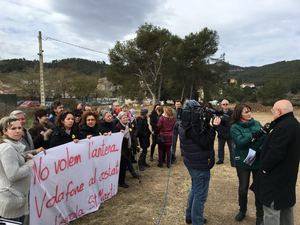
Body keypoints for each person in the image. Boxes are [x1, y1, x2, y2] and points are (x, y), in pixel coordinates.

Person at [178, 100, 220, 225]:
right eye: (197, 110)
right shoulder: (192, 128)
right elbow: (206, 142)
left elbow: (200, 135)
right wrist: (213, 128)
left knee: (195, 189)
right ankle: (197, 221)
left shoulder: (184, 124)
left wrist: (206, 122)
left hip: (192, 162)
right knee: (200, 195)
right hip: (199, 164)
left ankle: (190, 216)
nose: (199, 112)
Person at [260, 100, 300, 225]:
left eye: (273, 110)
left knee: (272, 210)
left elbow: (275, 152)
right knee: (286, 206)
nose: (272, 113)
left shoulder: (283, 127)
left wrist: (264, 168)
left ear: (279, 111)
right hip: (288, 175)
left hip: (275, 178)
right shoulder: (294, 124)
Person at [230, 104, 265, 225]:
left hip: (258, 159)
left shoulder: (257, 123)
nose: (249, 114)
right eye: (246, 112)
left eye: (249, 111)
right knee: (243, 188)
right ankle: (242, 210)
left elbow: (264, 139)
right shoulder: (234, 127)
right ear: (239, 114)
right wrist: (254, 136)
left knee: (259, 188)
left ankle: (260, 215)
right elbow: (240, 142)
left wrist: (256, 142)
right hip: (243, 161)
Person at [0, 116, 34, 224]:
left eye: (20, 128)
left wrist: (24, 157)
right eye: (13, 128)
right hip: (11, 201)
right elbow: (13, 175)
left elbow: (14, 161)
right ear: (5, 131)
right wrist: (29, 164)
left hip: (16, 199)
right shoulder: (7, 148)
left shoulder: (14, 146)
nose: (18, 131)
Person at [215, 99, 234, 166]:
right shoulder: (218, 112)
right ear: (221, 105)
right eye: (224, 104)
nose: (225, 105)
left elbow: (234, 122)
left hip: (230, 133)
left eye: (226, 104)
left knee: (232, 148)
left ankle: (233, 161)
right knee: (220, 148)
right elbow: (216, 122)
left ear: (228, 105)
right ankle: (220, 159)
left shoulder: (232, 112)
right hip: (221, 133)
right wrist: (218, 130)